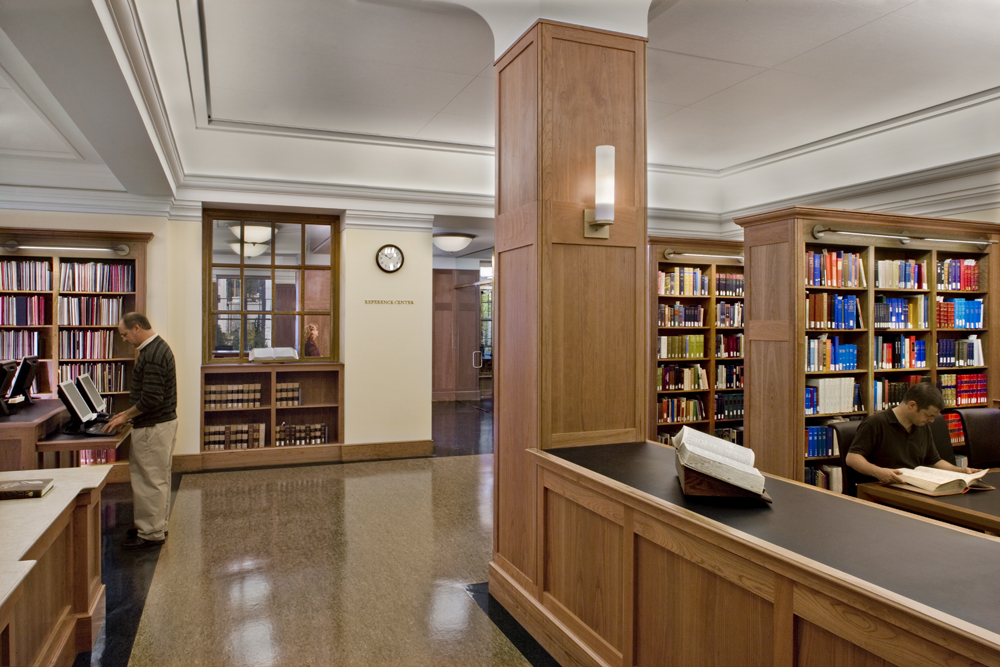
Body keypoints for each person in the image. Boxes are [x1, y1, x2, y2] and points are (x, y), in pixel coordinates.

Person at [103, 313, 178, 549]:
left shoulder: (153, 354)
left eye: (125, 334)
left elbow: (152, 398)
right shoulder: (155, 348)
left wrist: (125, 416)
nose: (124, 339)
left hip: (152, 426)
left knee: (148, 480)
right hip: (160, 424)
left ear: (137, 328)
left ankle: (150, 534)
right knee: (157, 478)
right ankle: (155, 525)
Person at [846, 382, 978, 485]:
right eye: (929, 415)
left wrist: (962, 471)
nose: (932, 421)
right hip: (882, 488)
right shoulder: (875, 423)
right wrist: (879, 472)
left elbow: (934, 460)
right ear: (912, 405)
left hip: (913, 487)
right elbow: (852, 458)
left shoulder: (922, 425)